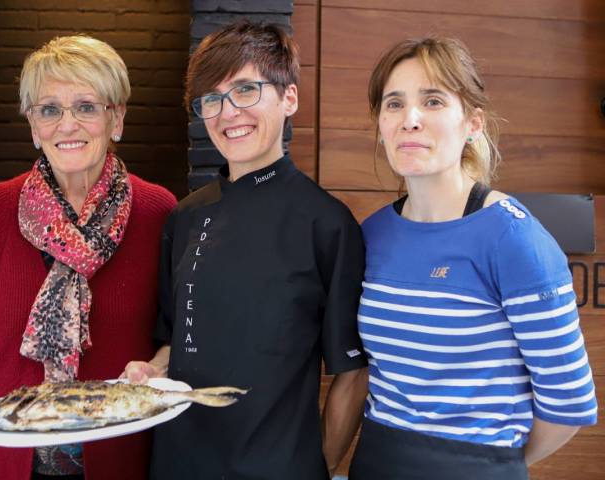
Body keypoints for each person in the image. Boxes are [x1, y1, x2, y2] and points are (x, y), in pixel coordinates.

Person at [0, 35, 176, 480]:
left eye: (87, 106)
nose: (66, 124)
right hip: (4, 465)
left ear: (117, 118)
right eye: (49, 109)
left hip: (120, 462)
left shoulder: (159, 213)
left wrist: (156, 367)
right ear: (34, 127)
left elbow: (178, 339)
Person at [122, 21, 369, 479]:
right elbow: (175, 339)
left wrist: (321, 468)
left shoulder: (327, 223)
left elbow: (351, 374)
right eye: (212, 99)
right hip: (177, 461)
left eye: (245, 90)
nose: (227, 111)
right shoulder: (185, 217)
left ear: (289, 98)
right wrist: (151, 370)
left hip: (277, 467)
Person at [349, 37, 598, 479]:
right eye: (394, 104)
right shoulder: (371, 235)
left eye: (433, 101)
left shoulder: (513, 238)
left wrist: (489, 466)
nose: (410, 119)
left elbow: (568, 405)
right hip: (377, 463)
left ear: (473, 123)